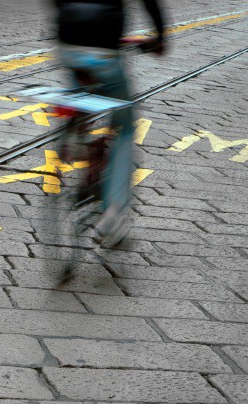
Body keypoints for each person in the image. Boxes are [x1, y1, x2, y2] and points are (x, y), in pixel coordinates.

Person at [52, 0, 166, 246]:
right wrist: (159, 37)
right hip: (104, 49)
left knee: (79, 96)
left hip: (67, 41)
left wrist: (65, 16)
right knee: (125, 127)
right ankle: (113, 215)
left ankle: (78, 136)